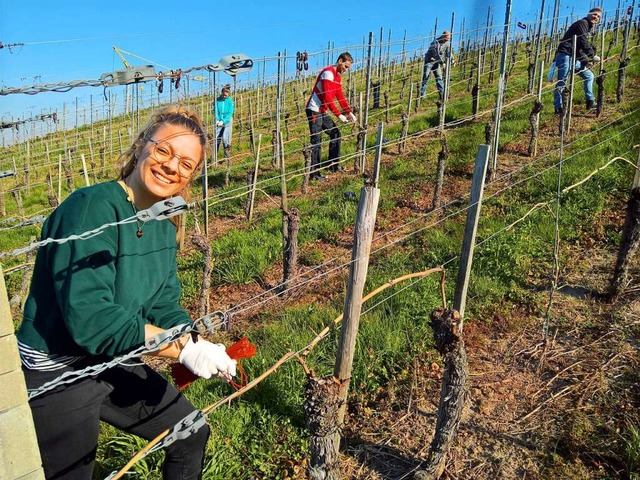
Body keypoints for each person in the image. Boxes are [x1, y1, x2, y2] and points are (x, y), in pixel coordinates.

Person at [17, 105, 237, 480]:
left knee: (190, 433)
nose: (171, 166)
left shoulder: (163, 223)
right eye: (164, 151)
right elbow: (92, 320)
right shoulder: (92, 208)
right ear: (140, 147)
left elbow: (164, 302)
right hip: (57, 369)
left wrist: (193, 338)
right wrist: (181, 349)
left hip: (110, 357)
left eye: (186, 163)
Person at [305, 52, 357, 181]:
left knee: (335, 133)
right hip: (314, 110)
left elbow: (340, 96)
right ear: (340, 61)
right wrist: (339, 115)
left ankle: (333, 165)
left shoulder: (337, 77)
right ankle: (314, 174)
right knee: (316, 140)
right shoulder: (328, 73)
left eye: (348, 68)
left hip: (322, 111)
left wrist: (349, 112)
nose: (346, 70)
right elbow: (327, 98)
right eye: (345, 66)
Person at [551, 7, 602, 114]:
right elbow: (582, 41)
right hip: (565, 56)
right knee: (562, 82)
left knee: (589, 75)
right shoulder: (582, 23)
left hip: (572, 58)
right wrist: (592, 55)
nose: (596, 17)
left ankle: (590, 101)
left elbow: (577, 46)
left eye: (598, 17)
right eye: (595, 14)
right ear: (589, 14)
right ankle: (558, 108)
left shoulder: (586, 26)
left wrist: (585, 62)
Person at [420, 30, 452, 99]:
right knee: (425, 77)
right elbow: (435, 54)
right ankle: (422, 96)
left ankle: (443, 94)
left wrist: (452, 60)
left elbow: (449, 53)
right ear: (443, 36)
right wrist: (442, 63)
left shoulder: (447, 43)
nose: (447, 40)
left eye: (448, 39)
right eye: (446, 38)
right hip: (429, 61)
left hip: (436, 62)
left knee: (439, 78)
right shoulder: (434, 42)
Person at [214, 84, 234, 158]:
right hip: (219, 120)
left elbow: (230, 113)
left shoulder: (230, 101)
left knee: (225, 137)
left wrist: (224, 121)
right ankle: (215, 156)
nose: (225, 97)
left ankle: (226, 156)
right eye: (223, 95)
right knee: (216, 137)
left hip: (227, 120)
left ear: (228, 94)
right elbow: (215, 110)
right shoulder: (217, 100)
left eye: (226, 96)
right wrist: (217, 120)